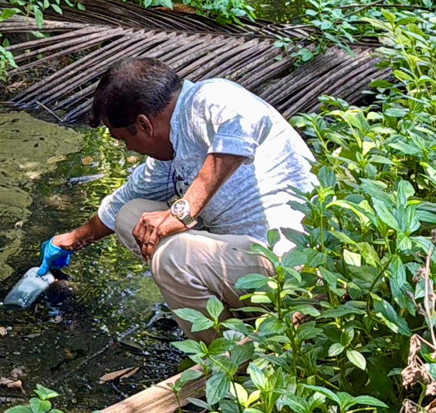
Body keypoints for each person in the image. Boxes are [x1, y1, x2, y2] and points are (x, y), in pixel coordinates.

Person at [38, 57, 317, 343]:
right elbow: (121, 202)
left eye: (123, 139)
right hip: (246, 263)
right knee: (130, 216)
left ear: (145, 125)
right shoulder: (170, 151)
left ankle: (228, 360)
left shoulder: (208, 97)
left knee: (173, 259)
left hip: (295, 268)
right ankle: (235, 320)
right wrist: (71, 240)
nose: (128, 149)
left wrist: (184, 210)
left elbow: (247, 120)